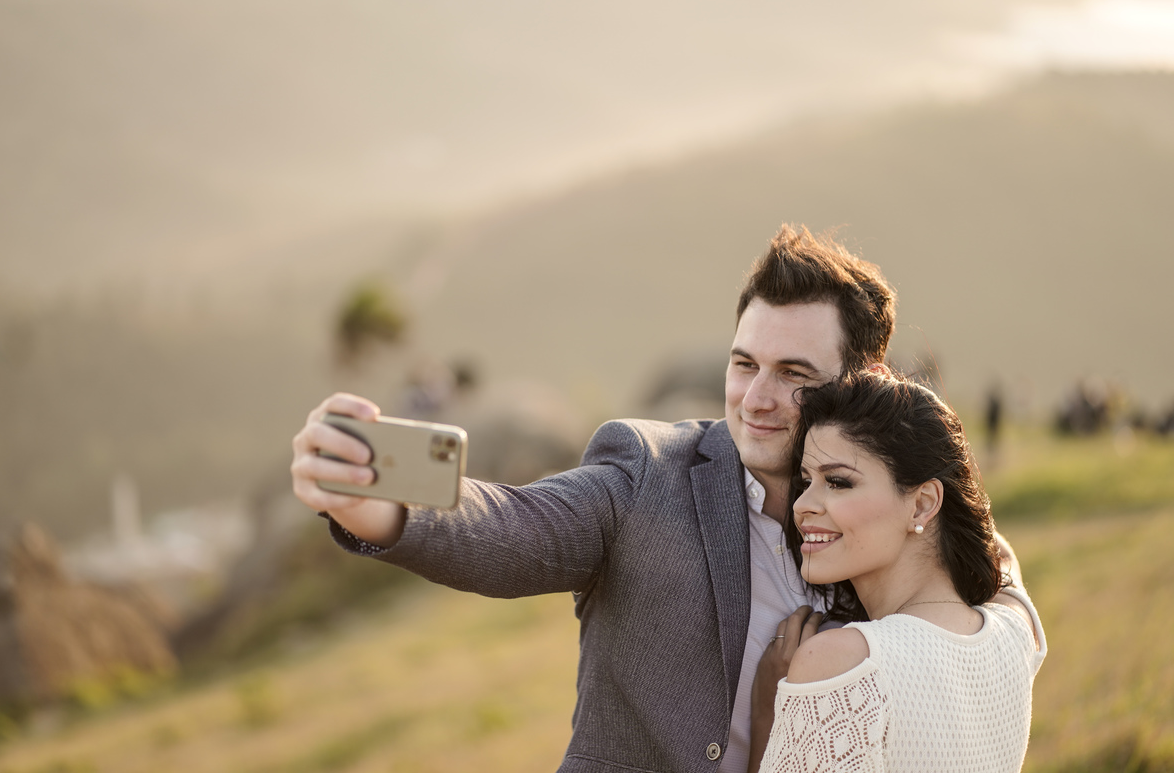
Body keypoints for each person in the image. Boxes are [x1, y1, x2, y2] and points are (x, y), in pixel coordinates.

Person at [290, 224, 901, 772]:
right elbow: (516, 528)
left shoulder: (896, 516)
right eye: (745, 365)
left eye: (794, 374)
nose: (756, 399)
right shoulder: (647, 471)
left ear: (862, 385)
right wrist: (381, 503)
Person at [751, 372, 1045, 773]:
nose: (802, 505)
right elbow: (1006, 562)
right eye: (806, 481)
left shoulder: (841, 664)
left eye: (837, 482)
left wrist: (767, 712)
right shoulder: (1014, 632)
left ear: (924, 503)